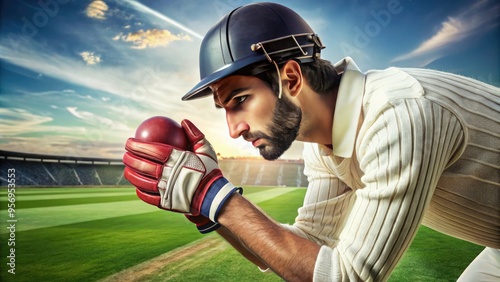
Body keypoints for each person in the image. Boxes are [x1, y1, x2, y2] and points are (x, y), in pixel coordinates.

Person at [123, 2, 500, 281]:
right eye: (223, 108)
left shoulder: (399, 115)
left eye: (240, 101)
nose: (233, 129)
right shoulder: (325, 142)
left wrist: (215, 195)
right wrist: (205, 210)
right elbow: (302, 250)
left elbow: (346, 277)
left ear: (290, 78)